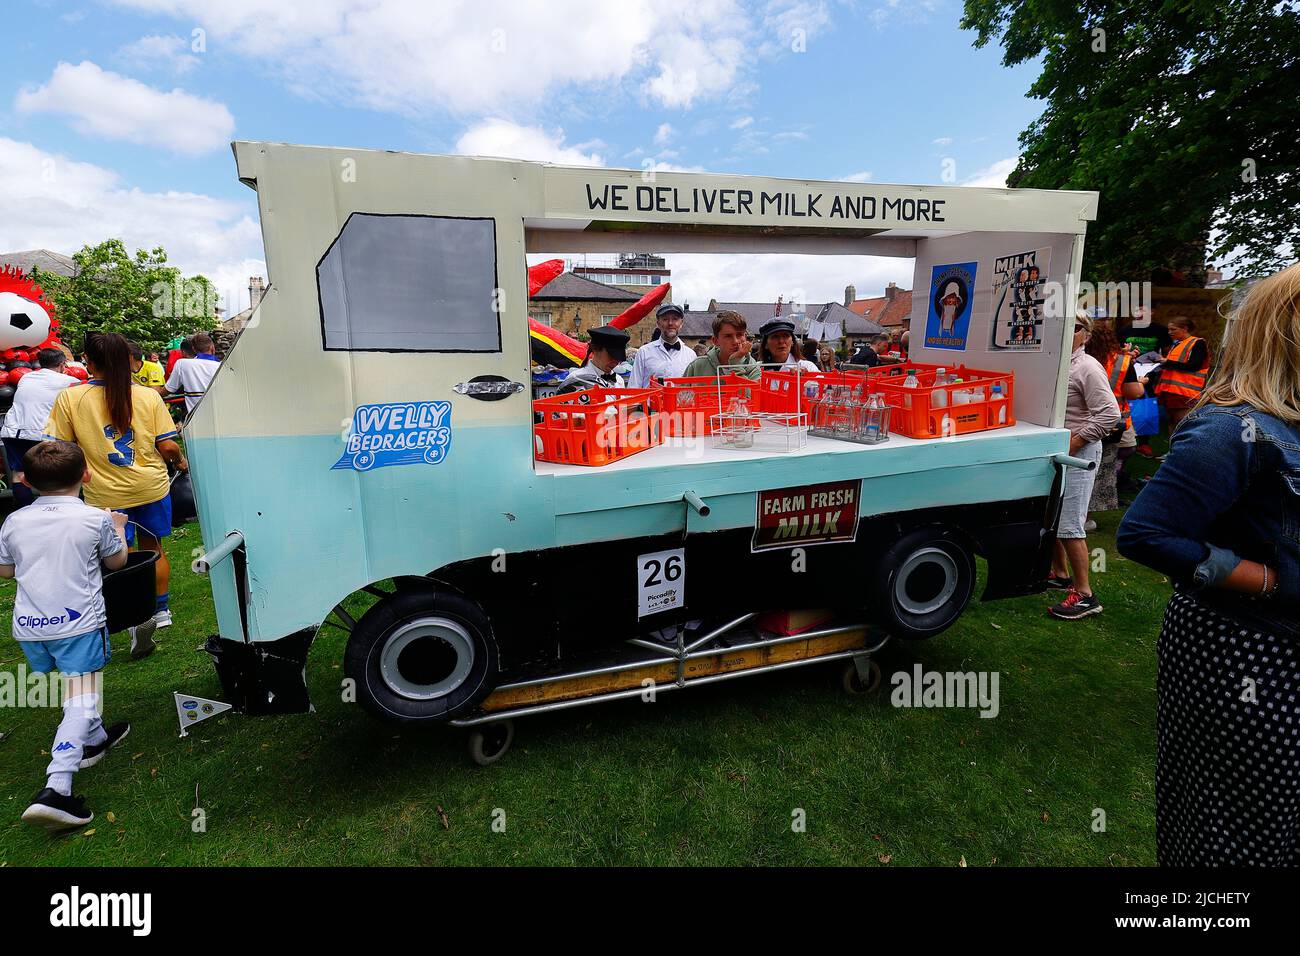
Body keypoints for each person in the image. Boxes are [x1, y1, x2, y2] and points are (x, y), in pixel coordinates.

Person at [1117, 263, 1300, 865]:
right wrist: (1267, 580)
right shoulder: (1236, 430)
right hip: (1252, 650)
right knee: (1239, 835)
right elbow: (1145, 533)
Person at [0, 441, 132, 831]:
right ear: (86, 475)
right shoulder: (94, 518)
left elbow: (6, 570)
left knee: (74, 685)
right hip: (78, 624)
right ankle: (57, 786)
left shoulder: (14, 521)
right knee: (82, 695)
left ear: (25, 481)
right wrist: (118, 528)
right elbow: (117, 561)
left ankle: (94, 739)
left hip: (31, 627)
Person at [46, 332, 189, 653]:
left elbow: (61, 449)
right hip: (150, 486)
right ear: (127, 361)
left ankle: (127, 616)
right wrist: (180, 461)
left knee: (115, 557)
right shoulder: (148, 396)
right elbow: (167, 445)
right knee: (154, 547)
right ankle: (160, 610)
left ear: (88, 361)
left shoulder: (70, 398)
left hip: (104, 494)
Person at [1046, 311, 1120, 618]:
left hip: (1079, 453)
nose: (1067, 331)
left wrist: (1076, 441)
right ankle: (1061, 574)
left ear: (1086, 335)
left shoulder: (1087, 367)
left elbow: (1110, 414)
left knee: (1070, 525)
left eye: (1074, 327)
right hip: (1055, 450)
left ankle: (1086, 595)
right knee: (1051, 516)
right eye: (1060, 324)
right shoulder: (1054, 361)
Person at [0, 348, 78, 508]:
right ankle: (55, 509)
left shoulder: (25, 377)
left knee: (19, 473)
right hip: (40, 433)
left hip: (12, 431)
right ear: (62, 364)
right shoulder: (68, 381)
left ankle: (25, 509)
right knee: (53, 472)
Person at [1085, 321, 1146, 517]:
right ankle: (1090, 512)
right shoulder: (1121, 361)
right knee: (1105, 465)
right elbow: (1133, 392)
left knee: (1083, 465)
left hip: (1081, 420)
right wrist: (1141, 383)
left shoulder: (1077, 359)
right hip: (1113, 423)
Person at [1153, 316, 1210, 434]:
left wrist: (1167, 362)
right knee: (1172, 423)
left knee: (1182, 424)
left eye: (1173, 329)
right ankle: (1173, 445)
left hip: (1185, 393)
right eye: (1169, 329)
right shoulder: (1177, 344)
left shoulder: (1197, 343)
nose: (1169, 332)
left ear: (1185, 329)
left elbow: (1195, 365)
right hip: (1170, 392)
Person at [628, 304, 695, 387]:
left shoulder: (691, 355)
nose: (670, 323)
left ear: (681, 323)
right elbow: (633, 386)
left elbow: (695, 388)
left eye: (675, 319)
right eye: (665, 319)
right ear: (658, 324)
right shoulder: (644, 352)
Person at [684, 311, 760, 380]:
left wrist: (735, 365)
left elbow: (747, 392)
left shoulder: (753, 368)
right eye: (728, 336)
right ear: (715, 341)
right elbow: (682, 390)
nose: (735, 341)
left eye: (739, 335)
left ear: (745, 337)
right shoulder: (697, 366)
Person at [557, 325, 630, 394]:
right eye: (611, 355)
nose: (615, 362)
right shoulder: (575, 379)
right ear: (595, 349)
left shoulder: (619, 380)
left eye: (619, 357)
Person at [164, 332, 220, 414]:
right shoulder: (222, 366)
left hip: (196, 418)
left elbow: (168, 390)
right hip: (221, 415)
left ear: (193, 349)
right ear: (212, 348)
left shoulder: (182, 364)